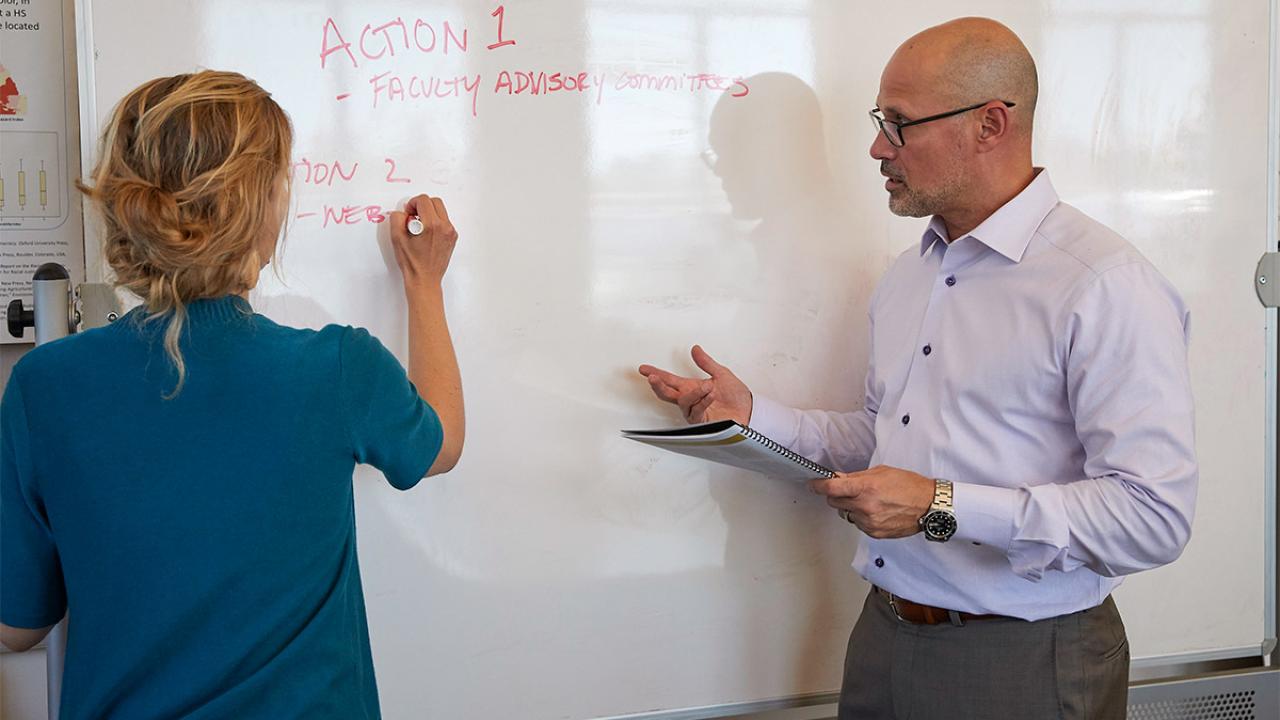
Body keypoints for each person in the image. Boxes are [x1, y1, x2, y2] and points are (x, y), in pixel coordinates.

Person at [639, 17, 1196, 719]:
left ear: (990, 124)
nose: (877, 147)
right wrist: (752, 417)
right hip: (884, 637)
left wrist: (939, 504)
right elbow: (887, 437)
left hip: (1025, 657)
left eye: (898, 123)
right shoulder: (910, 277)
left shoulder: (1103, 285)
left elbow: (1153, 517)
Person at [0, 70, 464, 719]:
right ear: (265, 206)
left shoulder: (43, 385)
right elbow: (439, 444)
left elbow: (17, 624)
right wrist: (424, 284)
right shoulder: (336, 368)